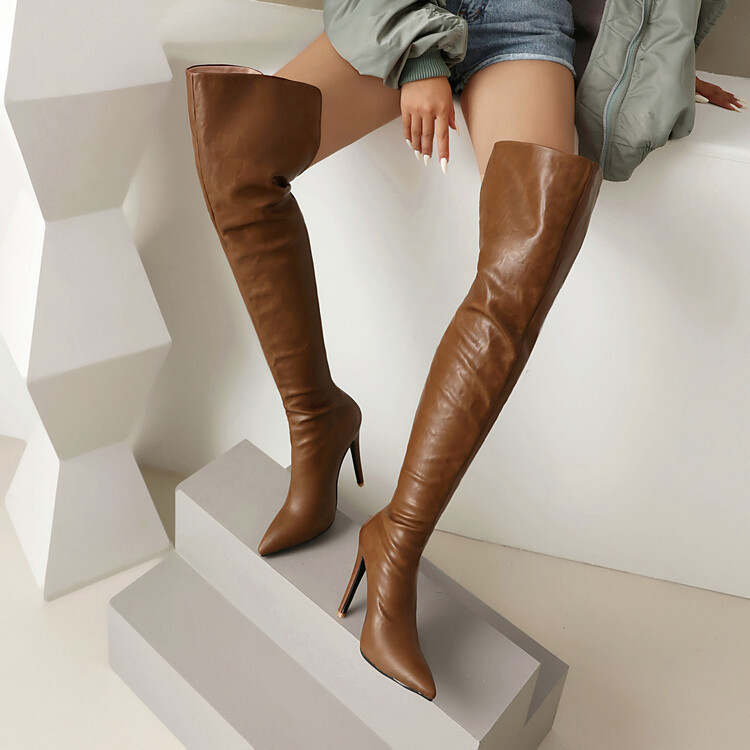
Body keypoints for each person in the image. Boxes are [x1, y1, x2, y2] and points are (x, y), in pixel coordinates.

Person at [184, 0, 740, 702]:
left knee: (531, 248)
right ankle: (316, 421)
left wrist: (655, 54)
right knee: (238, 149)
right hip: (410, 11)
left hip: (526, 24)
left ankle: (398, 541)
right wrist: (420, 55)